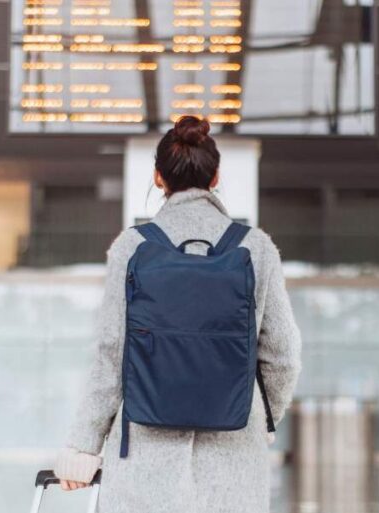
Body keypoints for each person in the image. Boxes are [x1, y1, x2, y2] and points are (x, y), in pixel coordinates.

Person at [53, 116, 302, 513]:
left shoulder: (132, 247)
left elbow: (112, 354)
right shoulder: (256, 248)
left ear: (158, 178)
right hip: (233, 458)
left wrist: (84, 445)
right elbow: (284, 355)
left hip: (144, 458)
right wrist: (256, 414)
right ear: (216, 177)